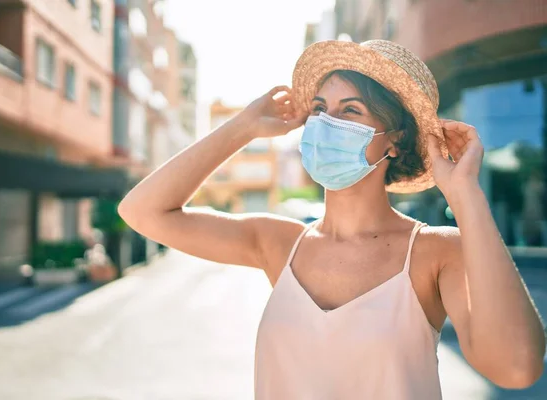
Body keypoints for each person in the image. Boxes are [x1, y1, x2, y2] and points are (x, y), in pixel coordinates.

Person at [118, 40, 545, 399]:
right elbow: (142, 211)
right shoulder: (278, 243)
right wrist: (243, 127)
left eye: (350, 111)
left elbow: (516, 369)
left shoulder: (436, 251)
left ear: (394, 140)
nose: (325, 123)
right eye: (320, 108)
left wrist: (466, 195)